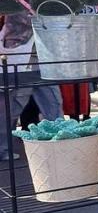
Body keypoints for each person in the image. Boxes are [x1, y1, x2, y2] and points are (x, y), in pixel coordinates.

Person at [0, 13, 63, 161]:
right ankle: (2, 149)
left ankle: (61, 141)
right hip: (19, 55)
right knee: (12, 107)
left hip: (40, 56)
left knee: (53, 101)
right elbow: (19, 23)